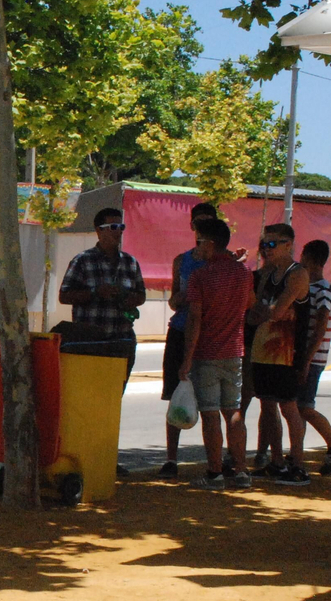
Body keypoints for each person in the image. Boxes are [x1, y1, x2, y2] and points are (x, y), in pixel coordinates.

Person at [180, 218, 255, 490]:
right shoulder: (244, 273)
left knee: (211, 414)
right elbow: (250, 305)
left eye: (199, 241)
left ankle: (214, 473)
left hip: (207, 353)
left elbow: (195, 320)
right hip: (234, 351)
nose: (196, 247)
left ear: (210, 244)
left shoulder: (201, 276)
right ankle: (242, 471)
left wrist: (187, 358)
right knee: (233, 411)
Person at [246, 223, 312, 485]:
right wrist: (262, 311)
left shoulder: (297, 275)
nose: (266, 249)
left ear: (289, 244)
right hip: (263, 350)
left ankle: (298, 464)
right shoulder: (267, 275)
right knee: (267, 405)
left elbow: (277, 311)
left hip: (287, 352)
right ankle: (277, 462)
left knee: (289, 407)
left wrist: (262, 311)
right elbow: (253, 315)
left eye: (272, 244)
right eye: (264, 244)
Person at [159, 202, 217, 477]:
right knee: (175, 395)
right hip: (181, 332)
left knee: (211, 401)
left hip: (210, 334)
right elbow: (173, 300)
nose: (201, 227)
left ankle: (214, 462)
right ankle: (171, 459)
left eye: (208, 222)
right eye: (198, 222)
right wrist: (183, 297)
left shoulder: (224, 262)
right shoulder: (182, 261)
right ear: (191, 225)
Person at [58, 206, 147, 386]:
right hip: (90, 342)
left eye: (121, 227)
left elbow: (141, 295)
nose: (118, 232)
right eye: (113, 227)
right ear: (99, 231)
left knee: (114, 395)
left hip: (122, 339)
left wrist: (131, 300)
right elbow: (64, 296)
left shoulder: (130, 262)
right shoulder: (82, 260)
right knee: (90, 393)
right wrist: (95, 293)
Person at [295, 239, 331, 473]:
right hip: (305, 354)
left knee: (304, 406)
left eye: (304, 256)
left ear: (312, 260)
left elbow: (320, 326)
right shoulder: (309, 287)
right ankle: (297, 451)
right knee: (298, 407)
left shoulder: (323, 290)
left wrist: (307, 359)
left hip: (313, 357)